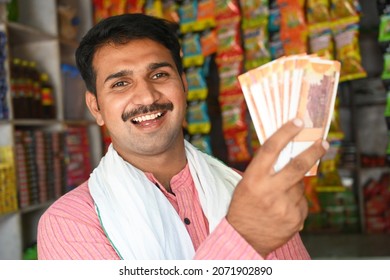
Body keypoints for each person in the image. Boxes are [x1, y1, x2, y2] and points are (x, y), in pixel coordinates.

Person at [37, 13, 328, 260]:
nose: (146, 96)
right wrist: (244, 236)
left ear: (184, 85)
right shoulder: (69, 222)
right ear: (96, 106)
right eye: (121, 83)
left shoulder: (250, 192)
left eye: (160, 75)